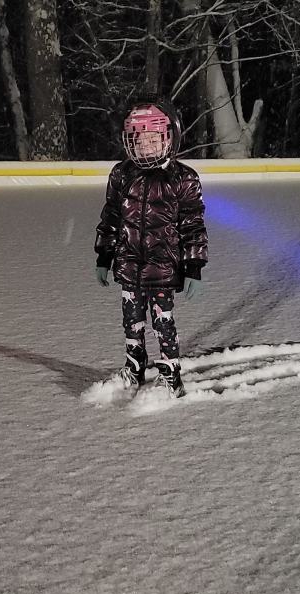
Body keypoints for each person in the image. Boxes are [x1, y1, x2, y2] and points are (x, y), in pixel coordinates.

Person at [93, 95, 208, 398]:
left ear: (169, 138)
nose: (145, 146)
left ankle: (170, 373)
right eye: (138, 139)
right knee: (131, 320)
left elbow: (193, 225)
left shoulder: (183, 179)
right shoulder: (122, 175)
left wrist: (193, 266)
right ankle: (134, 364)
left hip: (163, 267)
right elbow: (112, 217)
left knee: (162, 321)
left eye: (153, 139)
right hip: (129, 264)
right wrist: (104, 255)